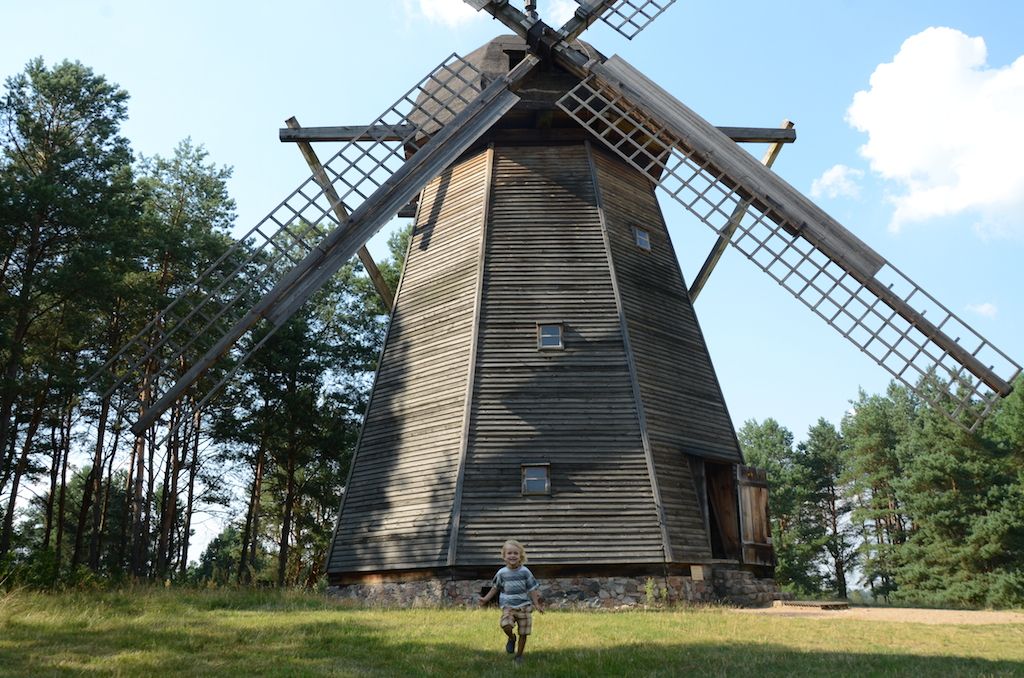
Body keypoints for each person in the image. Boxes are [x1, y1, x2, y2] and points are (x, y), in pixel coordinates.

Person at [479, 538, 544, 664]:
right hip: (508, 607)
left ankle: (519, 656)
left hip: (524, 606)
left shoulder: (525, 572)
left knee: (524, 633)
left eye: (515, 553)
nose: (512, 556)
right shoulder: (502, 573)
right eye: (509, 553)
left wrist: (537, 604)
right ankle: (511, 637)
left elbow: (532, 589)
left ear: (520, 556)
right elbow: (495, 588)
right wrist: (485, 599)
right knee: (506, 625)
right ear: (504, 556)